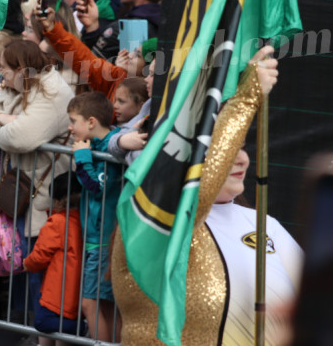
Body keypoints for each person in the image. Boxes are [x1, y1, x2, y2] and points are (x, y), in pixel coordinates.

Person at [113, 46, 303, 345]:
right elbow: (195, 199)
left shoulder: (263, 223)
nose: (241, 159)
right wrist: (246, 99)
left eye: (242, 147)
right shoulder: (149, 221)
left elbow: (319, 300)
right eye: (226, 146)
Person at [0, 40, 75, 313]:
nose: (0, 75)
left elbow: (21, 137)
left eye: (5, 68)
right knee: (19, 272)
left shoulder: (53, 90)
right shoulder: (19, 85)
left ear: (20, 69)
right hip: (18, 196)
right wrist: (1, 120)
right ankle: (19, 327)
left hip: (44, 201)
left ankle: (38, 334)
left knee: (38, 281)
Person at [68, 92, 122, 341]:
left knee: (90, 305)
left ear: (91, 122)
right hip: (97, 237)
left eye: (73, 120)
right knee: (105, 305)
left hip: (104, 239)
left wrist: (81, 158)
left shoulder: (111, 147)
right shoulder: (98, 145)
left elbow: (97, 187)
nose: (69, 128)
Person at [23, 172, 84, 345]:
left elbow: (40, 254)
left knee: (44, 328)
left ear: (57, 201)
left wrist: (27, 263)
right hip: (74, 298)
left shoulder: (57, 222)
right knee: (64, 338)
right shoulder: (84, 222)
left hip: (54, 295)